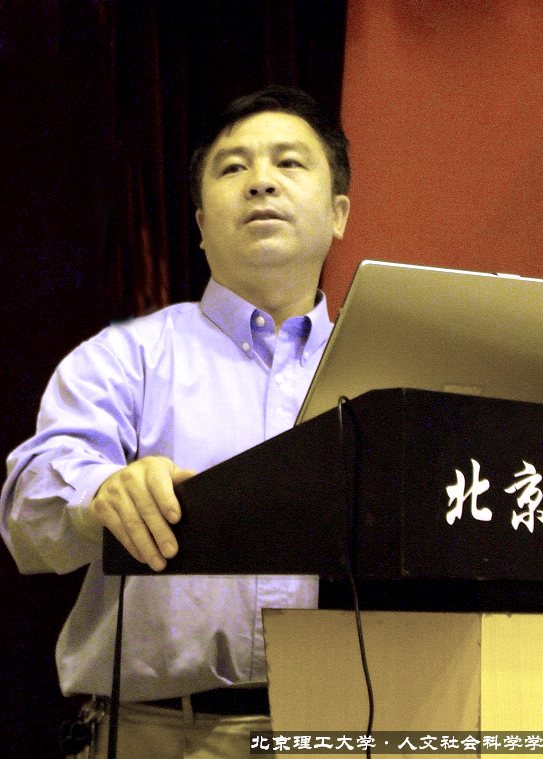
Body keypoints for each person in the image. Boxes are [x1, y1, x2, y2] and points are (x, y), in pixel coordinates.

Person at [0, 85, 350, 758]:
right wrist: (98, 496)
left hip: (355, 725)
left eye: (288, 162)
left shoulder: (385, 371)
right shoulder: (127, 355)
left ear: (339, 213)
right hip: (158, 733)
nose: (261, 182)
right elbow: (27, 514)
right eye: (233, 167)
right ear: (199, 224)